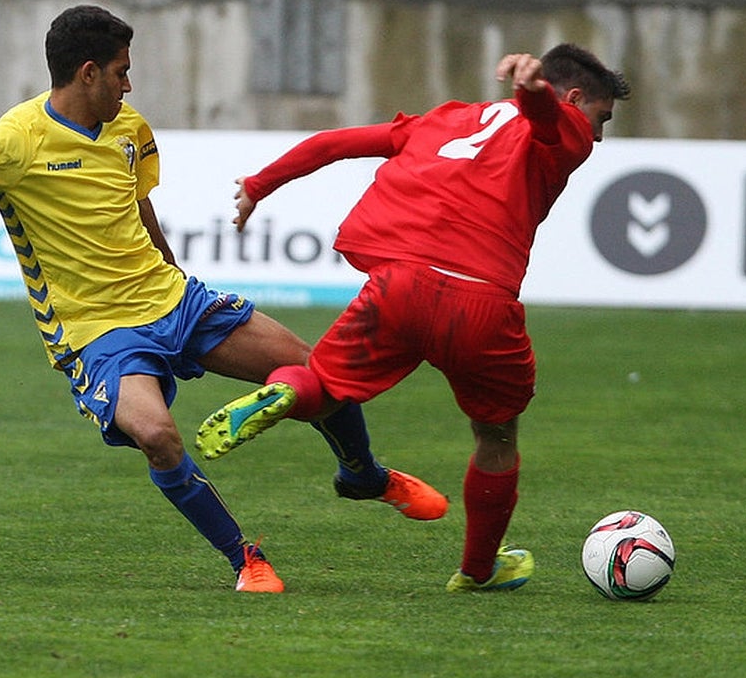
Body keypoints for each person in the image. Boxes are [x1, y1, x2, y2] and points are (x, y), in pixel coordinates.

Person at [0, 4, 446, 594]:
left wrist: (174, 273)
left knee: (317, 373)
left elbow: (139, 207)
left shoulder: (129, 129)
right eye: (120, 71)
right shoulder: (16, 139)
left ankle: (363, 475)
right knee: (158, 436)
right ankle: (246, 559)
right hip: (96, 332)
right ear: (88, 73)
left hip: (171, 300)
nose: (128, 84)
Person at [196, 44, 630, 592]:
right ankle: (476, 571)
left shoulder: (445, 119)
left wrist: (260, 184)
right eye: (601, 118)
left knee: (324, 388)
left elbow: (337, 143)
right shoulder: (561, 124)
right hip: (480, 301)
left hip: (398, 284)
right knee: (496, 436)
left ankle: (285, 393)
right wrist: (534, 91)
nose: (597, 136)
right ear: (574, 98)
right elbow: (549, 123)